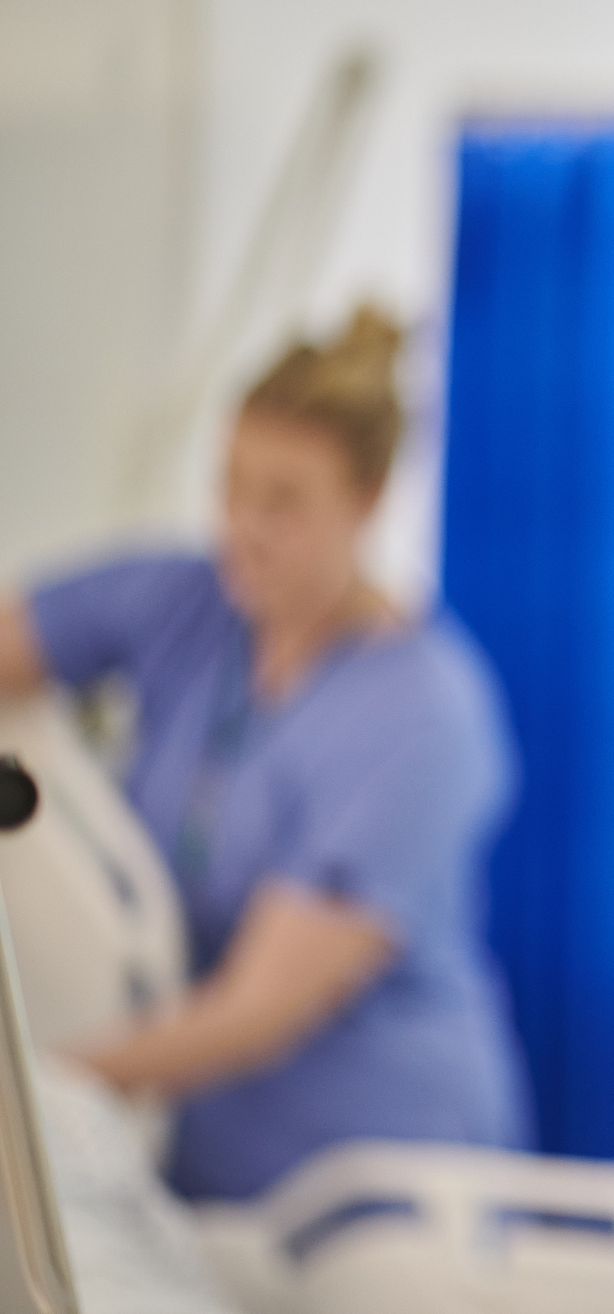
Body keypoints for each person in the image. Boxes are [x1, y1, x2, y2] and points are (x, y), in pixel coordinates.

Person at [0, 308, 528, 1201]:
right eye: (231, 486)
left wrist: (33, 1091)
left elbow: (260, 1010)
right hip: (204, 1177)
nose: (242, 526)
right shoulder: (191, 607)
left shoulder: (423, 714)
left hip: (384, 1189)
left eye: (283, 501)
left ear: (366, 501)